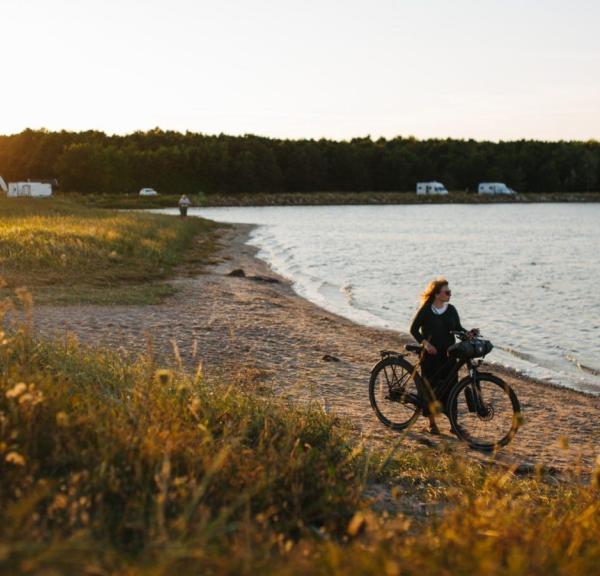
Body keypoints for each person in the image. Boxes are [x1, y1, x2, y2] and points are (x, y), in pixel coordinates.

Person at [409, 277, 477, 435]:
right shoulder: (426, 309)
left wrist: (468, 333)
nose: (449, 294)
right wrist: (426, 344)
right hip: (430, 356)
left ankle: (454, 425)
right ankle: (432, 425)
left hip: (449, 355)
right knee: (430, 389)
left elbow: (458, 328)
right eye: (447, 292)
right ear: (437, 293)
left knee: (452, 388)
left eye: (450, 291)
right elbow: (413, 329)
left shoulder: (451, 309)